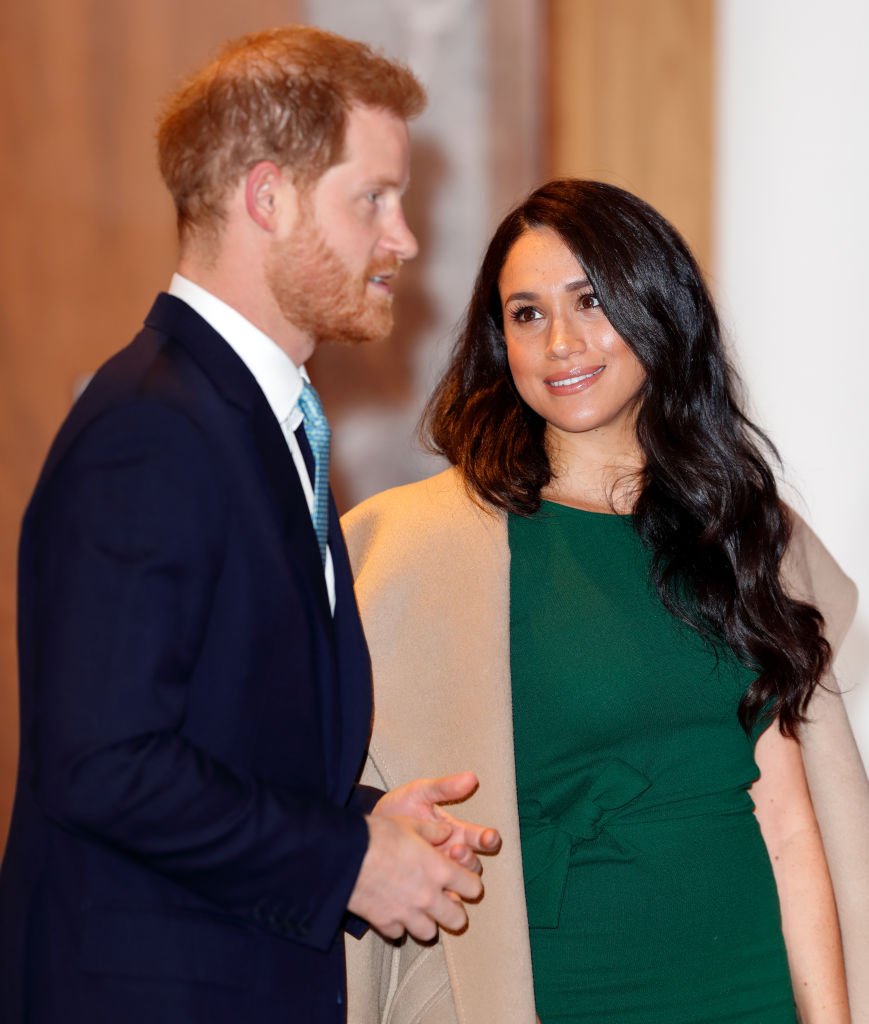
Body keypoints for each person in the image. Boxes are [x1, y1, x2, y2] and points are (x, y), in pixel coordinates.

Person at [0, 25, 502, 1024]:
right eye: (373, 198)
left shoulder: (238, 414)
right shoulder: (150, 427)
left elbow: (217, 741)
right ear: (267, 198)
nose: (403, 238)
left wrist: (358, 822)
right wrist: (345, 861)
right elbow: (104, 763)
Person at [342, 179, 869, 1023]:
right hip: (560, 986)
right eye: (526, 314)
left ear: (657, 309)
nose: (560, 343)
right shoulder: (419, 548)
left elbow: (787, 822)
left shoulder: (741, 529)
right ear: (496, 339)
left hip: (747, 981)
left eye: (591, 302)